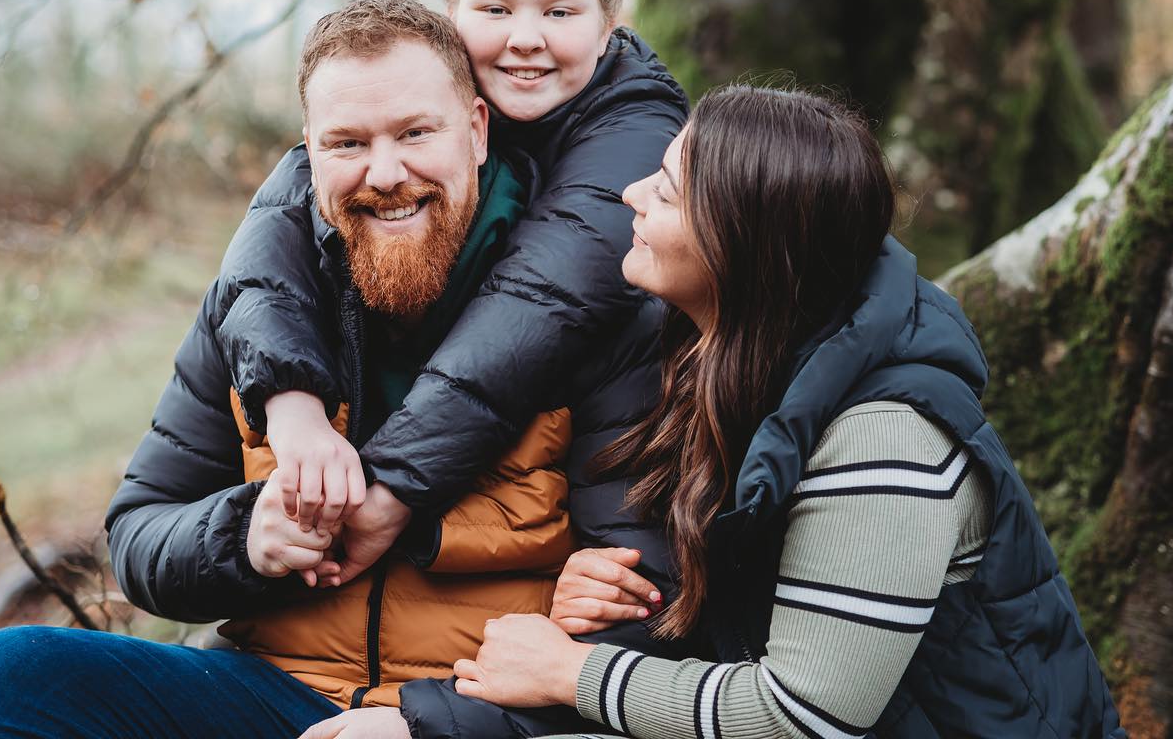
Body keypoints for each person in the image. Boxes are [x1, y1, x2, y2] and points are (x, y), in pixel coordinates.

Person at [0, 0, 678, 739]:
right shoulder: (262, 305)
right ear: (307, 150)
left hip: (467, 709)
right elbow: (138, 534)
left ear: (477, 131)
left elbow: (643, 600)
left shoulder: (589, 308)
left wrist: (430, 721)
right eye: (346, 143)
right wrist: (244, 537)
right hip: (273, 692)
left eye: (416, 133)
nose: (385, 173)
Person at [448, 85, 1128, 739]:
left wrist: (574, 673)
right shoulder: (734, 367)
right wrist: (604, 594)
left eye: (664, 189)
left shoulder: (884, 439)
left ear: (739, 245)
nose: (631, 196)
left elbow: (803, 717)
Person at [231, 0, 688, 597]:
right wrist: (289, 400)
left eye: (559, 13)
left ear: (608, 28)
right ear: (452, 18)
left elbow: (543, 299)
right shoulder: (419, 98)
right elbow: (278, 214)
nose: (526, 38)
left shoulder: (635, 129)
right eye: (496, 10)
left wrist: (389, 488)